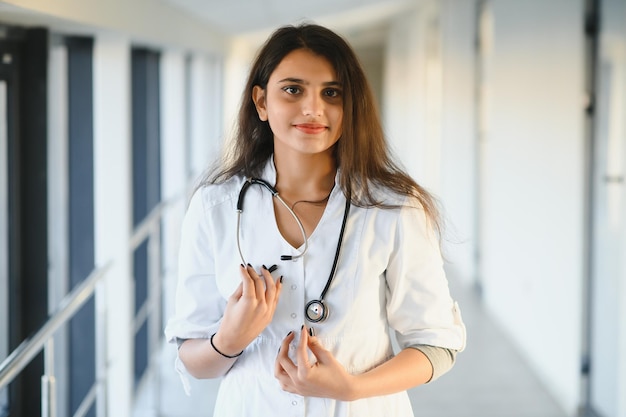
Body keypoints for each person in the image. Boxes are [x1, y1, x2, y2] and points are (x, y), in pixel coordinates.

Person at [164, 23, 466, 417]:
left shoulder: (394, 207)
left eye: (331, 93)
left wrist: (353, 388)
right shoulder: (214, 207)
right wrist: (230, 338)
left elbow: (436, 345)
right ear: (261, 102)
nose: (313, 108)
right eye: (293, 90)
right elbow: (191, 359)